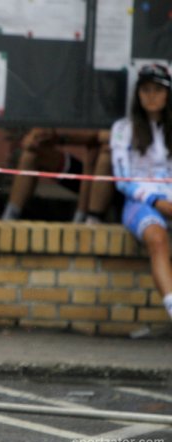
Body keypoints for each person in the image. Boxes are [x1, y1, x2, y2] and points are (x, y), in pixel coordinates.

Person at [110, 63, 172, 321]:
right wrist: (156, 201)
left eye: (158, 90)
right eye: (145, 90)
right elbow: (122, 180)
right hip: (141, 203)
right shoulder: (123, 128)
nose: (151, 96)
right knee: (157, 238)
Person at [1, 126, 113, 223]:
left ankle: (89, 220)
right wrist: (34, 138)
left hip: (114, 177)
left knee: (98, 150)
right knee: (31, 154)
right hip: (85, 171)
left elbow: (101, 135)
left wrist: (57, 137)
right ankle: (9, 217)